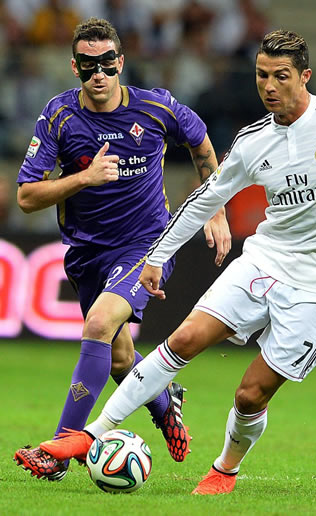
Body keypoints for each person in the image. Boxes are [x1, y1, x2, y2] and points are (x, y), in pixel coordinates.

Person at [15, 29, 316, 494]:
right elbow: (204, 198)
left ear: (305, 77)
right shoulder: (253, 139)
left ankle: (224, 468)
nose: (268, 85)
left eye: (281, 76)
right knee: (185, 338)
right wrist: (159, 255)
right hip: (265, 259)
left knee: (249, 394)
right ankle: (89, 435)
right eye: (261, 75)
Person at [13, 17, 231, 481]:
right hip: (87, 253)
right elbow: (27, 196)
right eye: (88, 64)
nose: (99, 73)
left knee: (97, 324)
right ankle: (163, 404)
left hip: (147, 245)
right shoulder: (59, 116)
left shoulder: (156, 108)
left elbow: (201, 143)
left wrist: (215, 210)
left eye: (107, 63)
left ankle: (58, 450)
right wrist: (84, 178)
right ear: (75, 67)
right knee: (118, 357)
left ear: (121, 62)